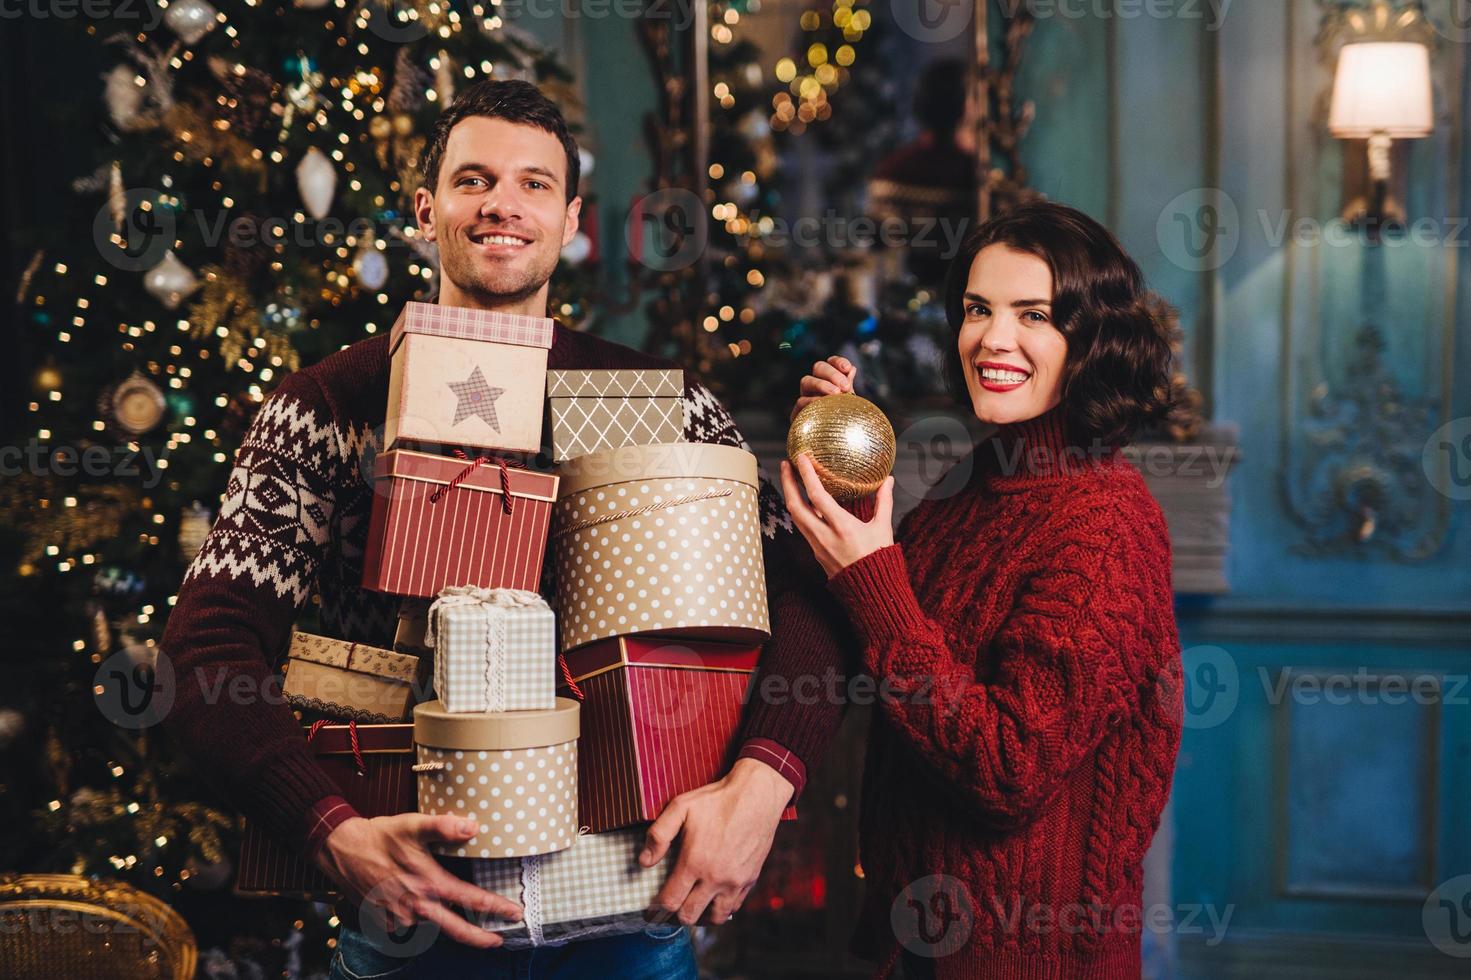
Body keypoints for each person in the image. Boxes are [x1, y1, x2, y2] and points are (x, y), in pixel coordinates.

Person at [159, 79, 850, 979]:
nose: (501, 205)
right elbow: (204, 649)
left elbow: (815, 595)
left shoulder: (666, 408)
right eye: (473, 179)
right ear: (425, 208)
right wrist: (329, 831)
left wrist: (764, 782)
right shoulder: (329, 405)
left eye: (532, 185)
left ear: (570, 222)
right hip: (415, 920)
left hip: (629, 917)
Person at [779, 200, 1185, 978]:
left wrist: (870, 574)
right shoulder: (977, 480)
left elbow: (1009, 767)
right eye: (977, 309)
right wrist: (839, 478)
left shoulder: (1104, 523)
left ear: (1088, 339)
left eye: (1033, 314)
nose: (993, 339)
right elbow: (887, 638)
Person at [867, 58, 980, 288]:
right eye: (974, 96)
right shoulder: (973, 173)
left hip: (902, 294)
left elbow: (878, 244)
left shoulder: (891, 168)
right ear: (963, 106)